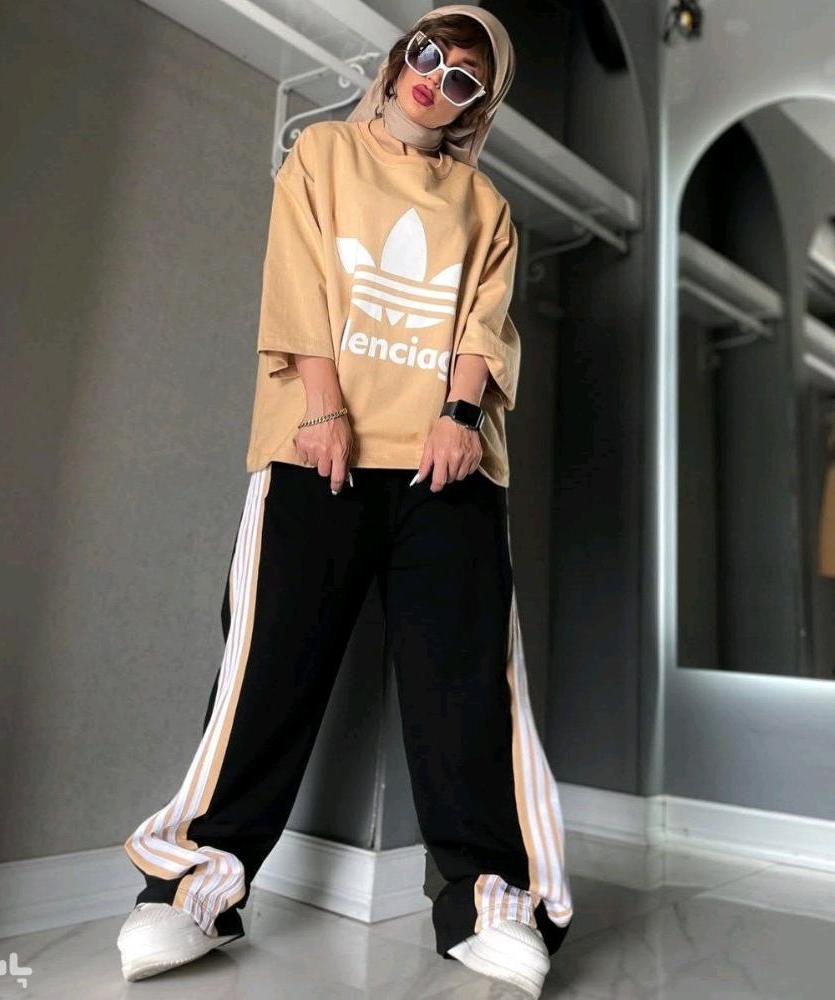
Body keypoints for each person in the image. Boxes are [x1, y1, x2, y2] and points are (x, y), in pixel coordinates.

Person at [116, 5, 573, 996]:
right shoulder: (321, 155)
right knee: (265, 670)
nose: (435, 79)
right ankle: (195, 882)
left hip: (448, 465)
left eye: (461, 78)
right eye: (427, 55)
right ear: (401, 55)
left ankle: (489, 897)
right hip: (316, 449)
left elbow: (484, 325)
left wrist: (457, 414)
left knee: (467, 687)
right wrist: (320, 408)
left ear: (475, 106)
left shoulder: (486, 205)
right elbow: (299, 282)